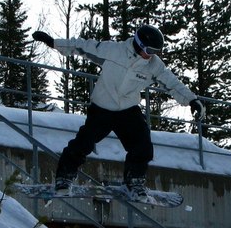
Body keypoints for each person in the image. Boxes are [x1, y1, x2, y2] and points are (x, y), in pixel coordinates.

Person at [32, 24, 204, 198]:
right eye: (150, 50)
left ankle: (134, 182)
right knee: (84, 143)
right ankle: (64, 177)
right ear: (139, 44)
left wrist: (192, 100)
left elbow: (173, 83)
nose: (152, 55)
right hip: (102, 108)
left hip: (127, 110)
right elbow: (83, 46)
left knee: (142, 144)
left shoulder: (154, 66)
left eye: (156, 51)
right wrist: (53, 43)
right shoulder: (114, 50)